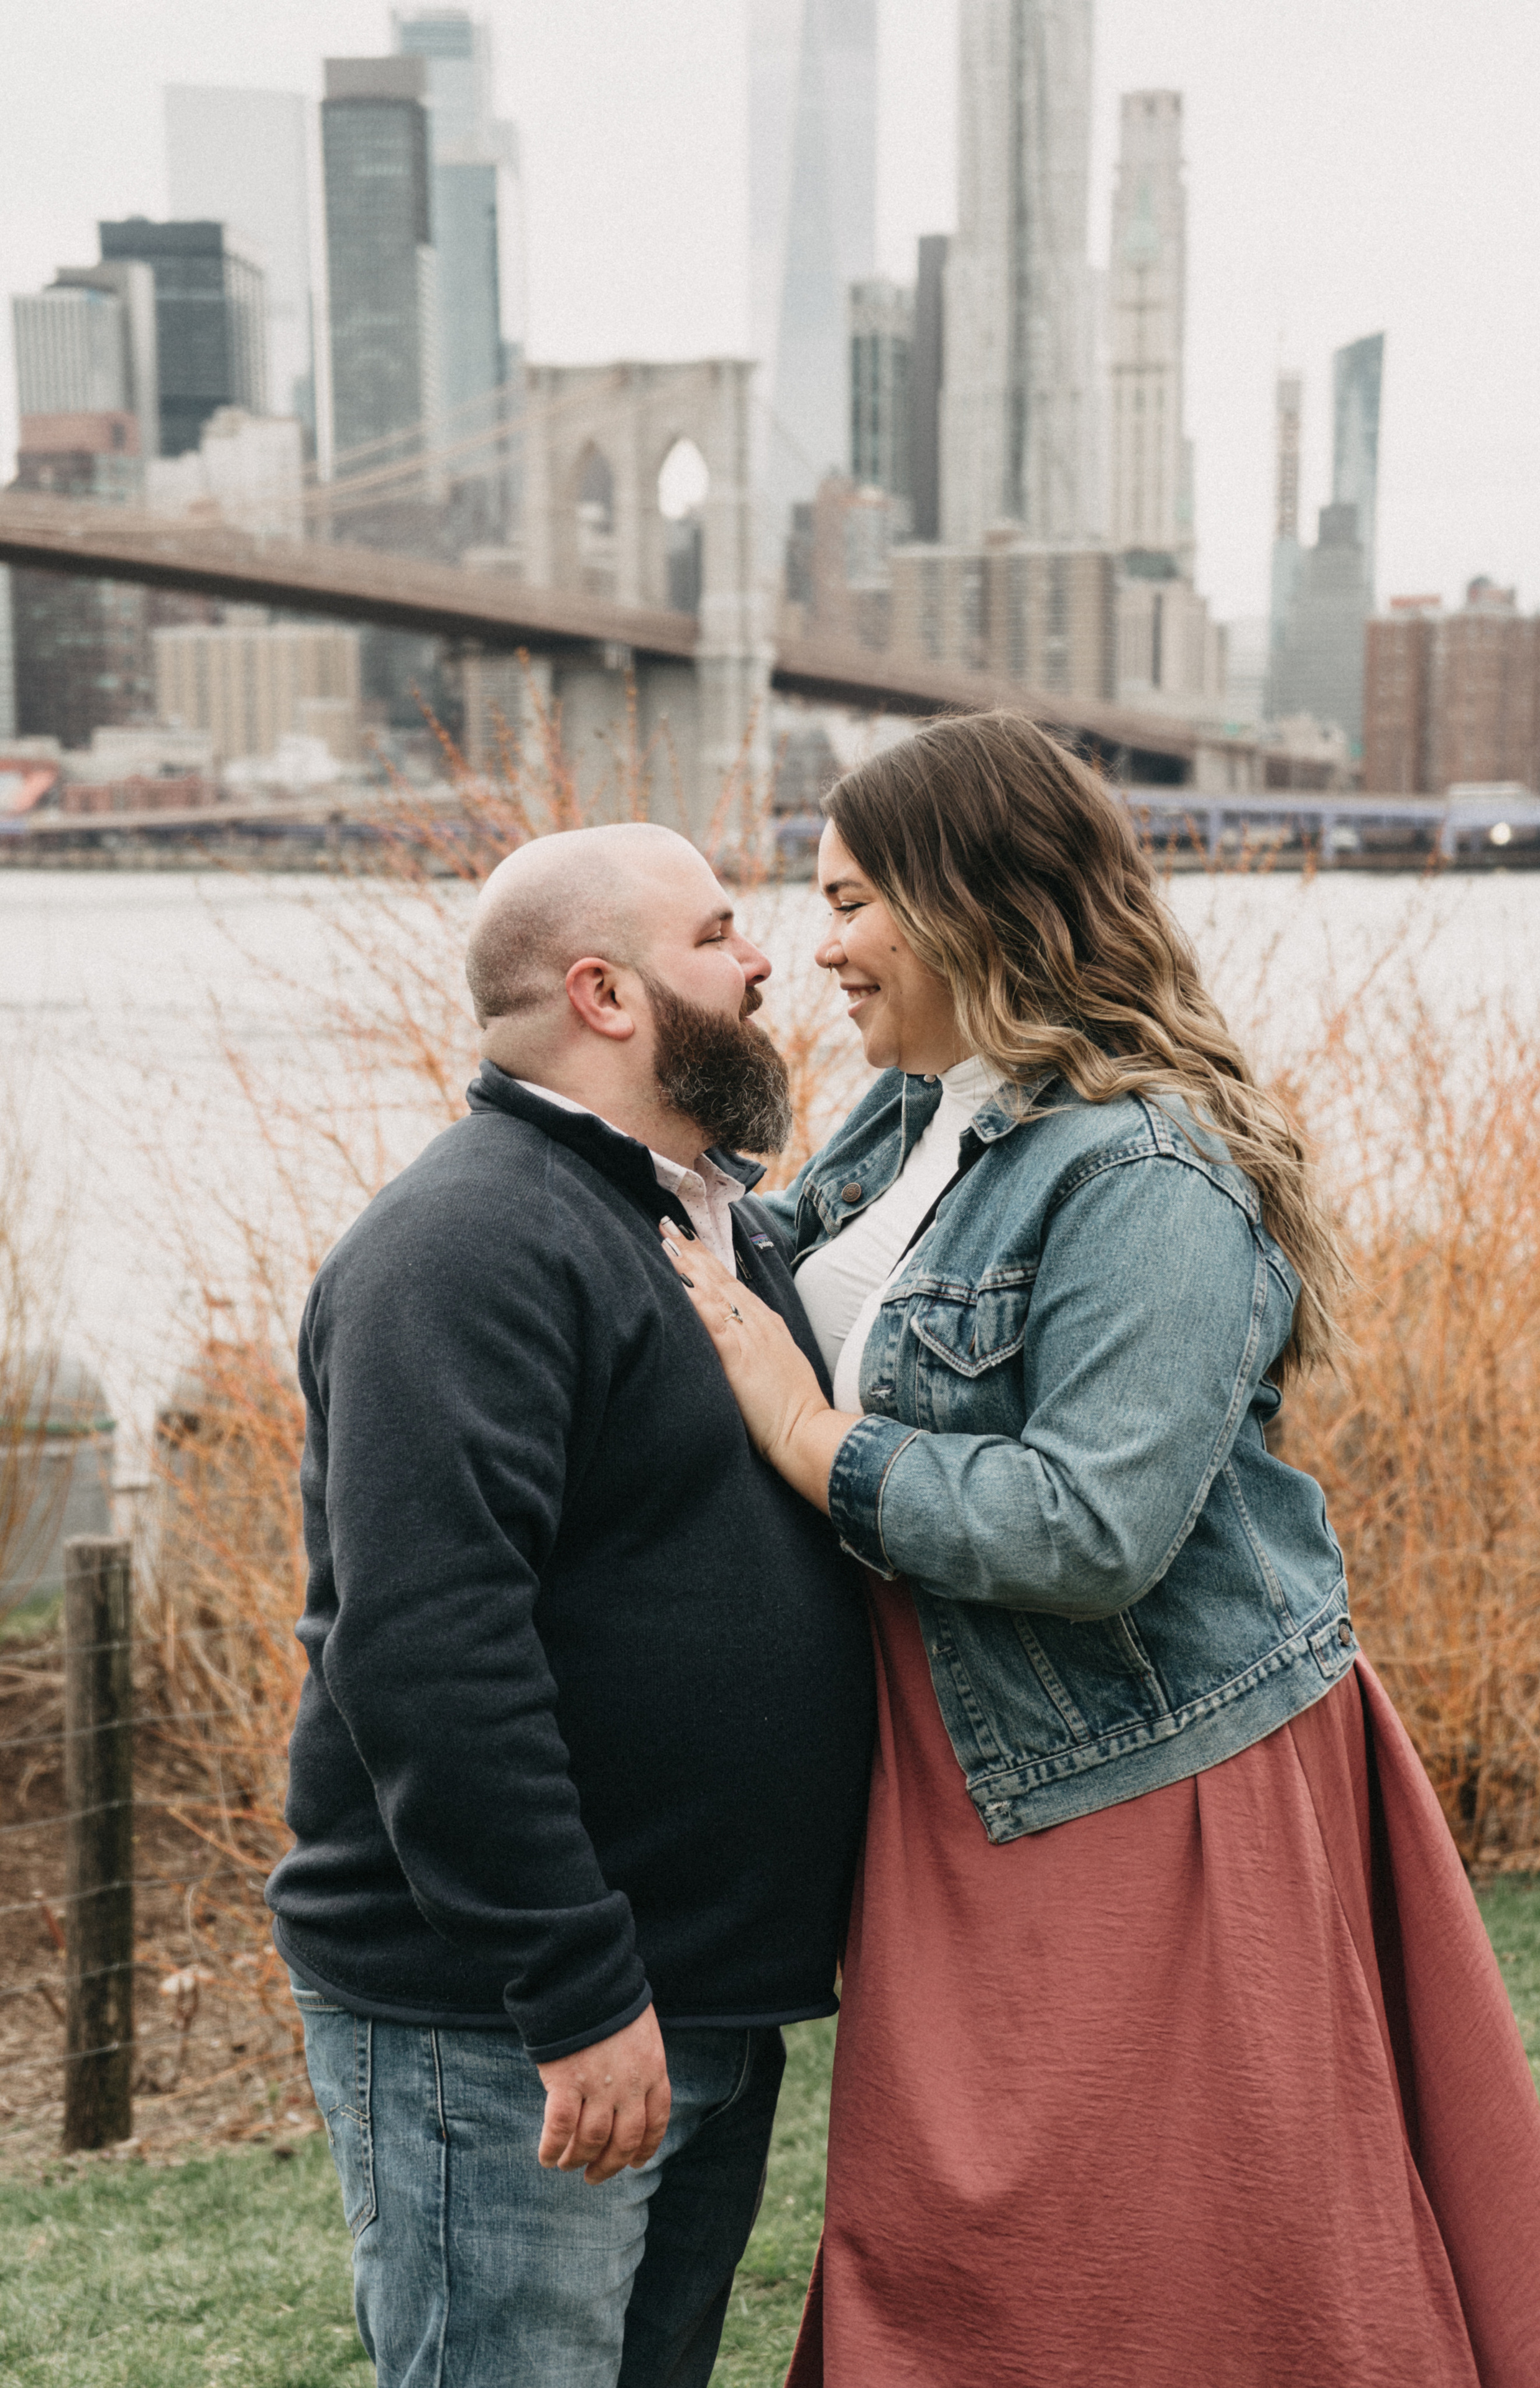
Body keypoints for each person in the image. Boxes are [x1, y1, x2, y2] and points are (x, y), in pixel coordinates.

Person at [658, 714, 1540, 2388]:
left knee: (1157, 2253)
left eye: (855, 898)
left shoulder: (1152, 1169)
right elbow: (750, 1271)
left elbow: (1095, 1526)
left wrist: (813, 1445)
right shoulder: (910, 1117)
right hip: (960, 1761)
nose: (825, 945)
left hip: (1148, 1774)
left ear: (972, 901)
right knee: (959, 2228)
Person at [266, 821, 875, 2388]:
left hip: (696, 1999)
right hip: (518, 2023)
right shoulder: (467, 1244)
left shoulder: (689, 1218)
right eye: (719, 934)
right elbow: (425, 1650)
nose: (766, 962)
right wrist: (576, 1989)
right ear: (604, 993)